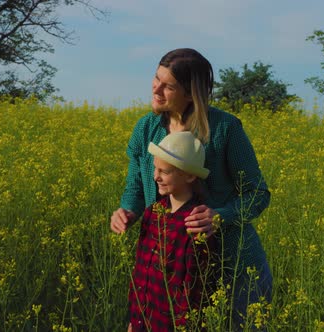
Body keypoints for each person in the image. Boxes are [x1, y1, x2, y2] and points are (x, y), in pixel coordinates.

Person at [110, 48, 272, 328]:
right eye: (156, 78)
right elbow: (135, 187)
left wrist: (219, 215)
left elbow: (258, 194)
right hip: (173, 269)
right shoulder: (146, 128)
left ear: (191, 93)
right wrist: (126, 211)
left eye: (168, 85)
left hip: (232, 268)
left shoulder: (225, 129)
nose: (156, 89)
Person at [125, 131, 217, 331]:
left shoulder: (196, 224)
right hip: (142, 320)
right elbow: (140, 271)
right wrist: (134, 319)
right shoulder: (151, 214)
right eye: (155, 168)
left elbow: (195, 291)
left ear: (190, 175)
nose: (156, 176)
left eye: (164, 171)